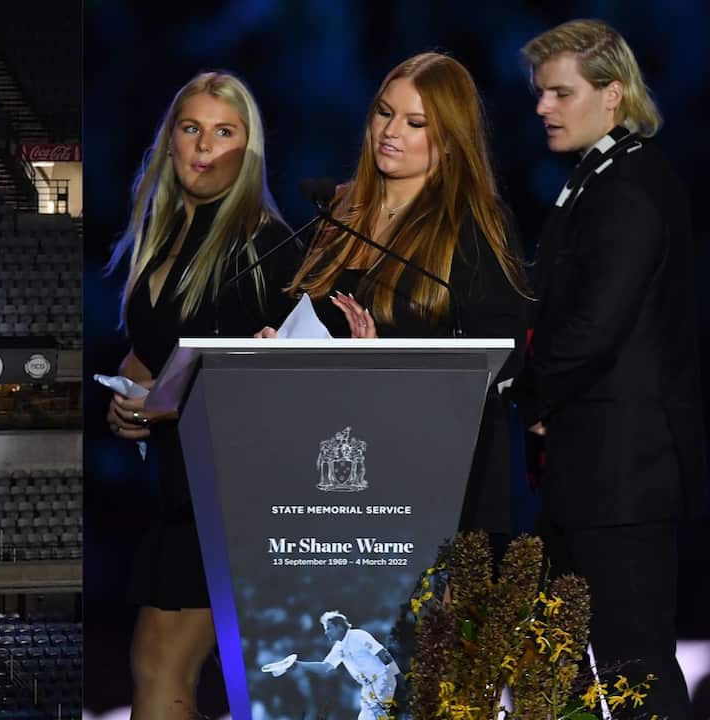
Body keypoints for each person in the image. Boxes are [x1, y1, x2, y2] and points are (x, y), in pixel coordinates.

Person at [509, 20, 704, 720]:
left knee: (633, 669)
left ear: (612, 94)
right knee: (564, 668)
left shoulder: (629, 187)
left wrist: (517, 388)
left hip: (623, 480)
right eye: (540, 93)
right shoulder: (601, 178)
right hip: (590, 476)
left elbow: (593, 328)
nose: (542, 108)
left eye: (560, 93)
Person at [262, 52, 530, 541]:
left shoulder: (473, 227)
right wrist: (273, 348)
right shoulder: (340, 211)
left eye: (415, 122)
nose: (390, 131)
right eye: (384, 112)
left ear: (449, 140)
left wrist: (382, 363)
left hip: (430, 482)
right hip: (325, 475)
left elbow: (501, 362)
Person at [104, 71, 301, 719]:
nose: (204, 146)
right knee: (160, 670)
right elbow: (157, 348)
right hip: (178, 485)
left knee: (165, 672)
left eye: (225, 132)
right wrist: (129, 392)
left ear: (249, 149)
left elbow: (292, 360)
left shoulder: (264, 245)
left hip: (235, 493)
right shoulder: (160, 235)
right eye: (191, 128)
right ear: (170, 140)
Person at [261, 611, 401, 720]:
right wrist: (298, 664)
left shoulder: (358, 635)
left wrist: (399, 676)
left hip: (382, 681)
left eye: (329, 628)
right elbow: (325, 667)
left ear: (339, 627)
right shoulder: (338, 647)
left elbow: (383, 654)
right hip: (367, 688)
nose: (325, 632)